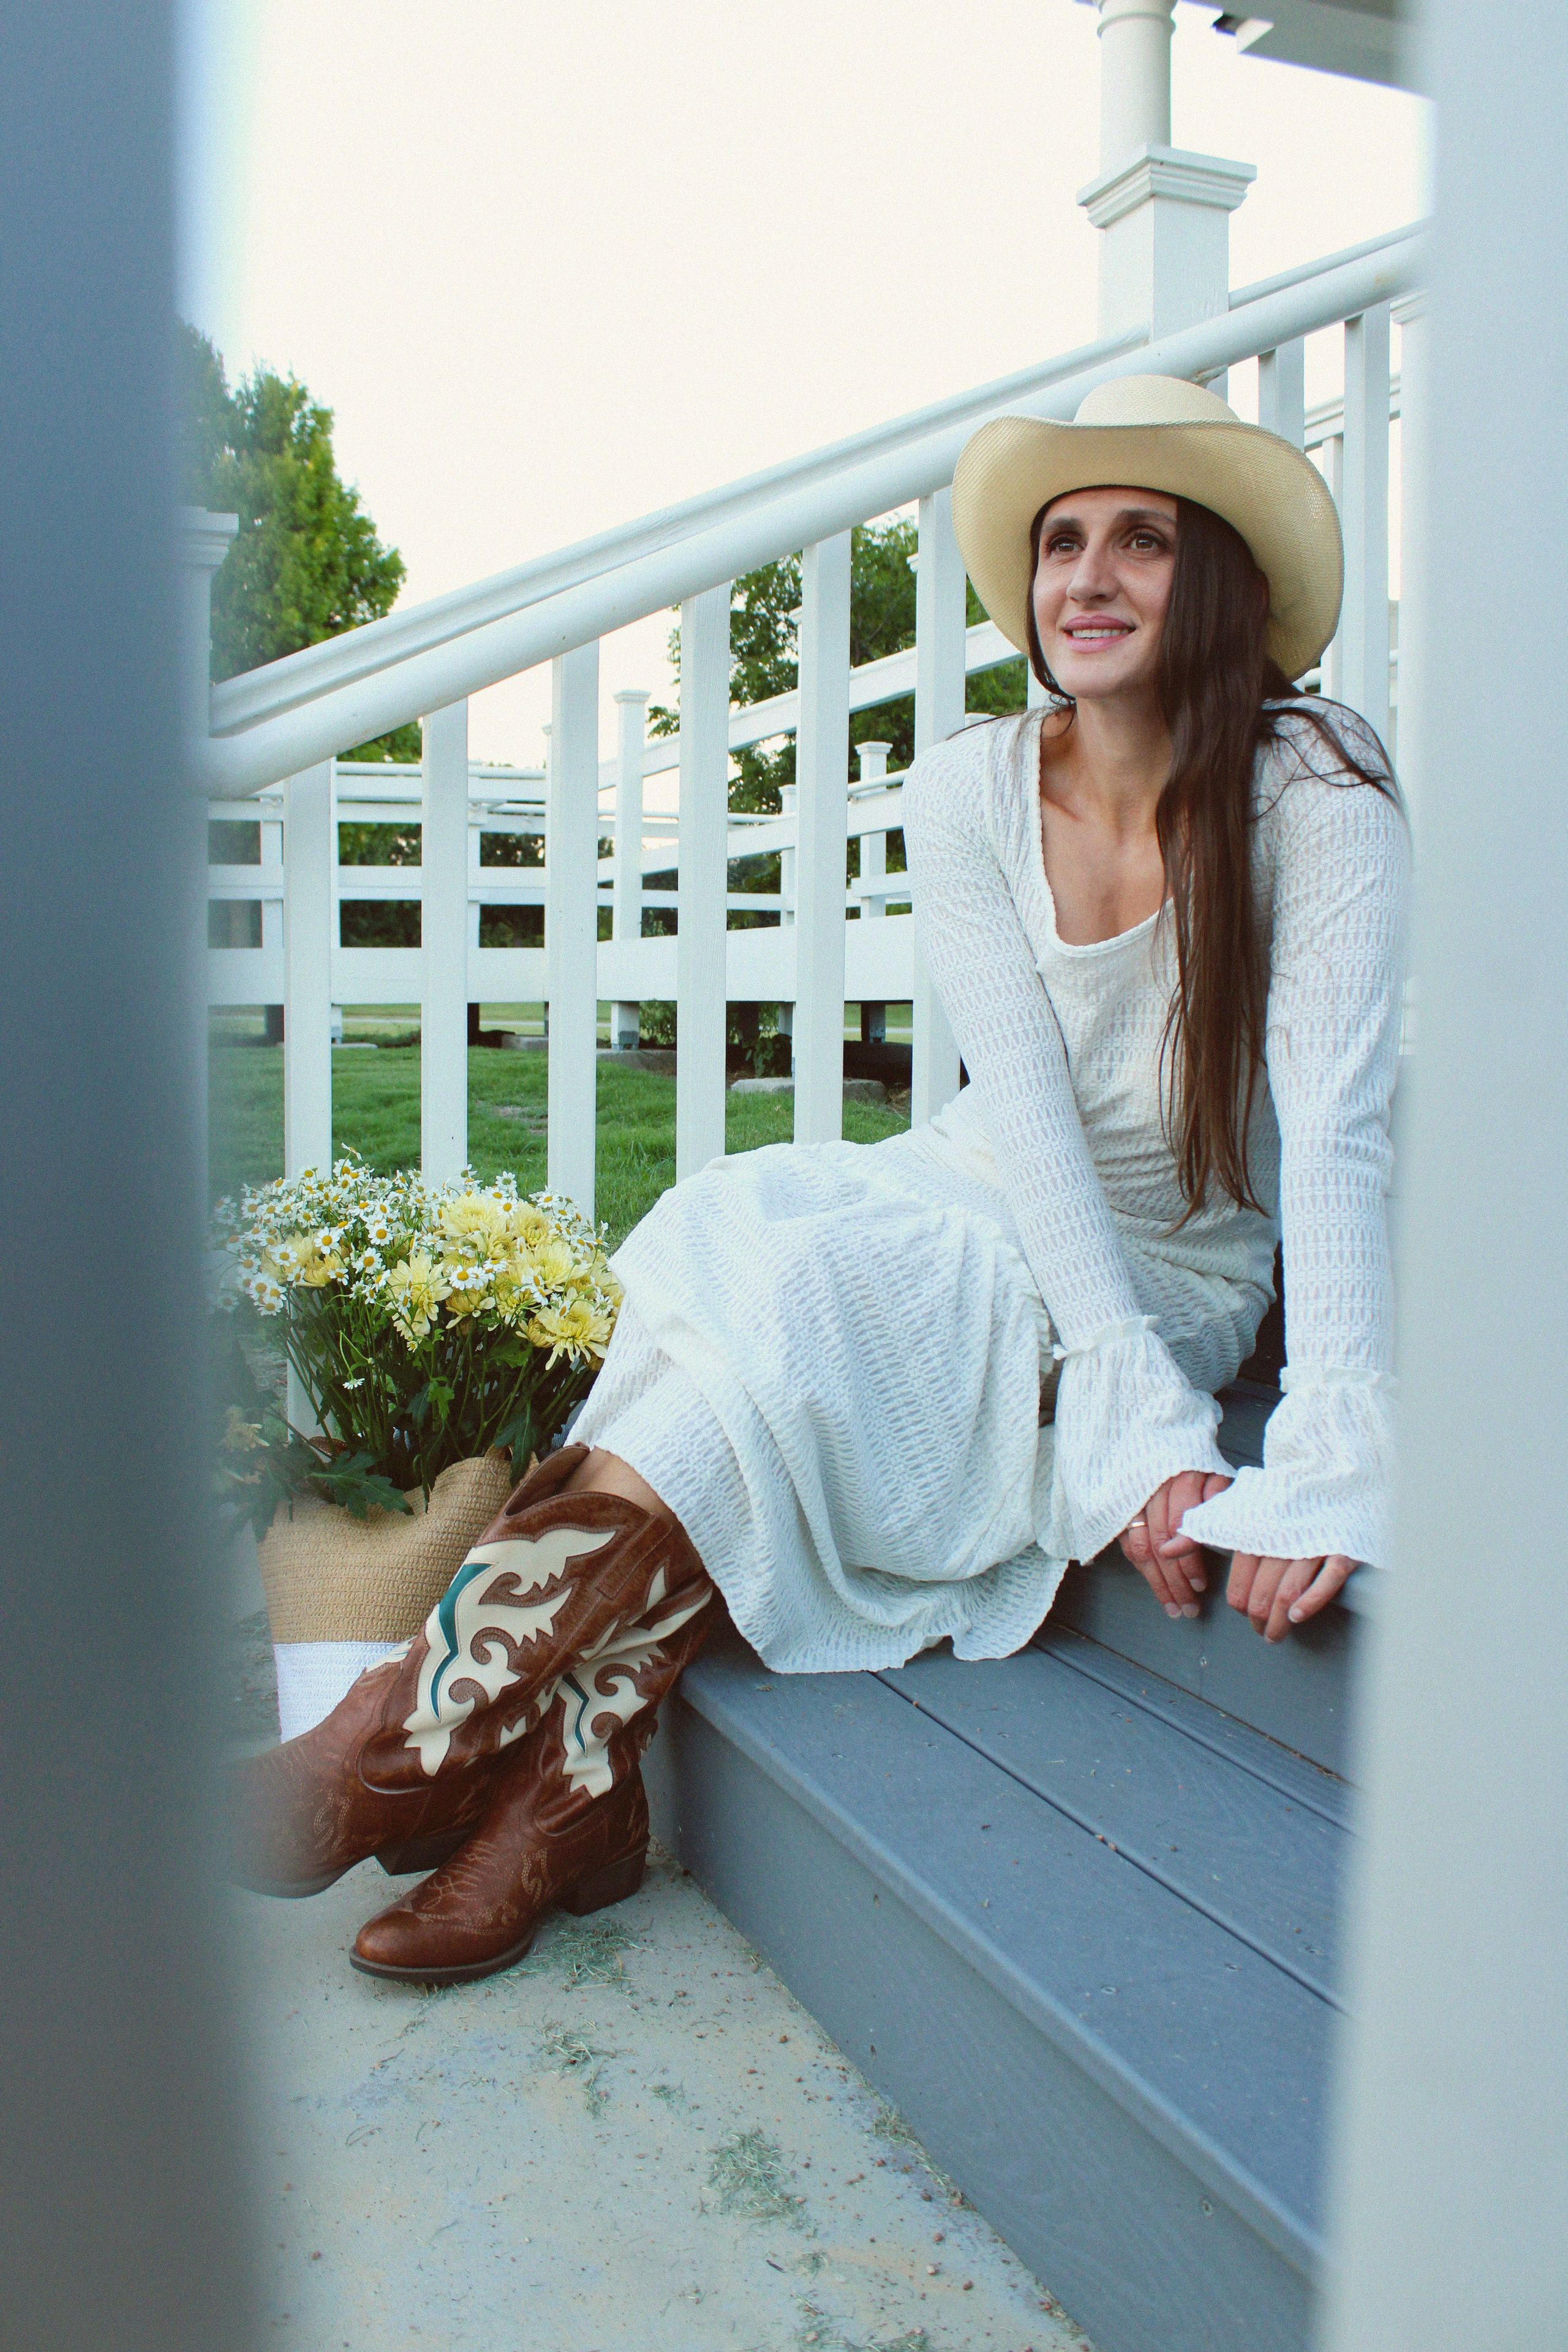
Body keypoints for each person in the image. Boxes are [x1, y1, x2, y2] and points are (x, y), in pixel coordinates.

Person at [233, 374, 1408, 1986]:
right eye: (1064, 542)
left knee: (811, 1303)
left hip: (1165, 1265)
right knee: (733, 1228)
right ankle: (524, 1781)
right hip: (979, 1184)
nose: (1089, 577)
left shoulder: (1314, 784)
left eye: (1144, 539)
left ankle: (428, 1755)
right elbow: (1026, 1131)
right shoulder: (975, 785)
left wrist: (1305, 1437)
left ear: (1218, 582)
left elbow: (1339, 1126)